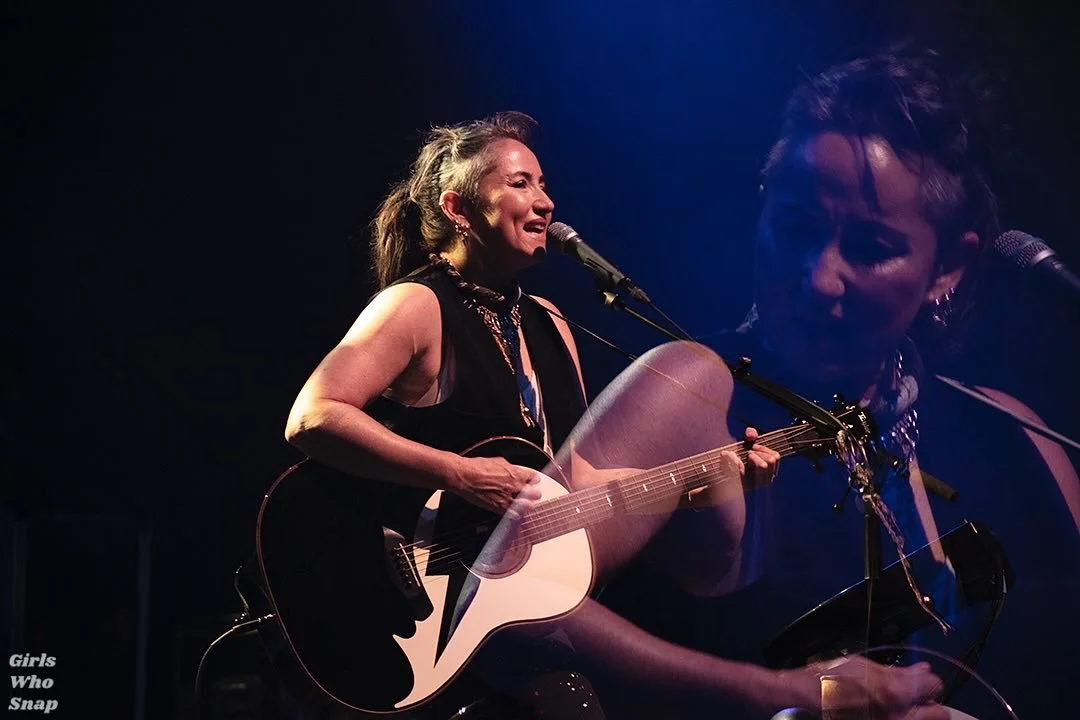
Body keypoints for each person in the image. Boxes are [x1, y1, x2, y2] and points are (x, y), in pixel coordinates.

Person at [277, 109, 946, 719]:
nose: (545, 202)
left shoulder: (549, 324)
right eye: (519, 184)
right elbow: (314, 416)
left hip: (508, 610)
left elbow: (578, 489)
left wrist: (708, 477)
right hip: (414, 593)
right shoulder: (416, 306)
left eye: (543, 185)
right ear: (457, 207)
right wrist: (460, 474)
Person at [599, 46, 1080, 719]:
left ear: (949, 268)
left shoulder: (1018, 439)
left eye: (871, 248)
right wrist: (786, 695)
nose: (819, 276)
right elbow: (499, 596)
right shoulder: (693, 389)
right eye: (794, 228)